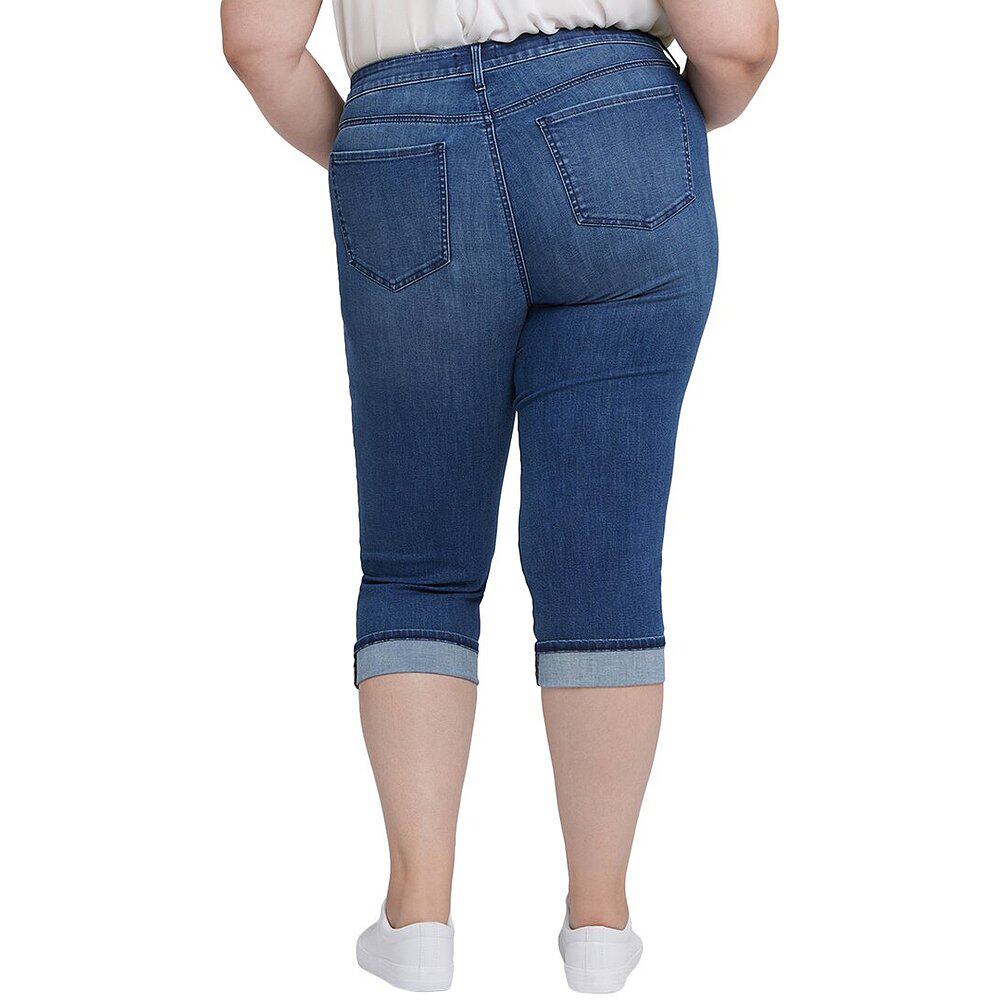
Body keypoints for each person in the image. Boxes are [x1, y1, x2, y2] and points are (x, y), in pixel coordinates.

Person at [222, 0, 778, 991]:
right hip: (617, 122)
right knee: (603, 561)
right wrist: (641, 114)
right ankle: (598, 922)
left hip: (404, 135)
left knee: (418, 565)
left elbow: (257, 42)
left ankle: (418, 915)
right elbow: (736, 39)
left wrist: (384, 153)